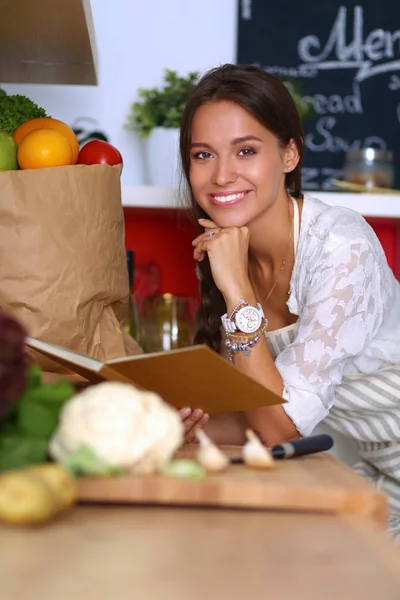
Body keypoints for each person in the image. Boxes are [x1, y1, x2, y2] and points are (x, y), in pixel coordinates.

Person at [177, 63, 400, 542]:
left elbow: (277, 429)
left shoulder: (342, 247)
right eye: (202, 154)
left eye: (246, 150)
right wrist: (188, 429)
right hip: (348, 467)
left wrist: (237, 289)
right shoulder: (228, 250)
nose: (221, 175)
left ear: (289, 155)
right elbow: (261, 417)